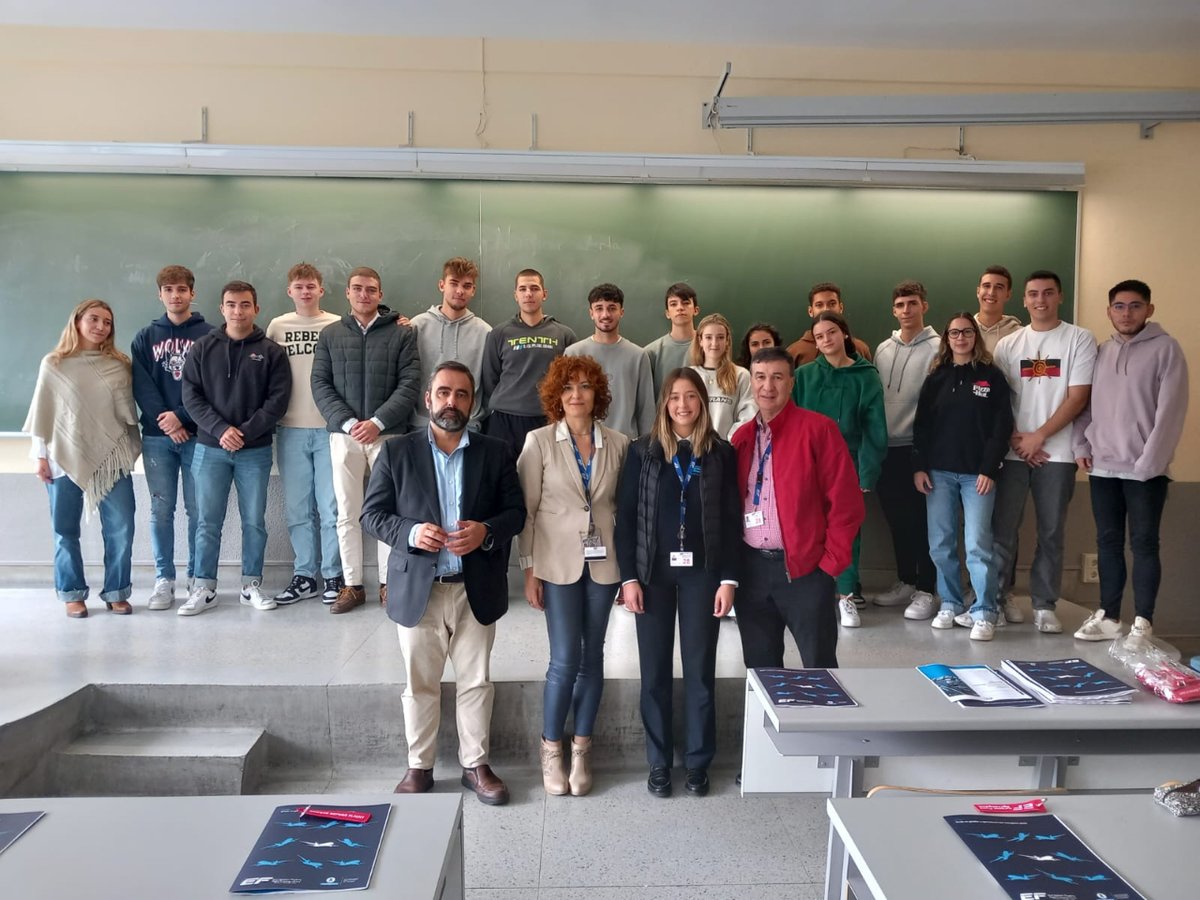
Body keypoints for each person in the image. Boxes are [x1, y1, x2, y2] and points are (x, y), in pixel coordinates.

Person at [361, 362, 526, 805]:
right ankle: (420, 766)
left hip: (475, 587)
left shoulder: (495, 452)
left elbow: (516, 513)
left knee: (476, 681)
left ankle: (476, 765)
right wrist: (412, 533)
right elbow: (372, 515)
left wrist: (486, 532)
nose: (452, 402)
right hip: (420, 588)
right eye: (444, 393)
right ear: (428, 399)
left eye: (462, 394)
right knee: (419, 683)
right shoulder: (396, 452)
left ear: (473, 402)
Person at [615, 368, 741, 799]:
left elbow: (730, 518)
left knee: (701, 672)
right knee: (653, 673)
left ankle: (698, 763)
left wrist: (728, 579)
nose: (682, 405)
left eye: (691, 397)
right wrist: (628, 577)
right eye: (674, 398)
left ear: (703, 403)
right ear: (664, 404)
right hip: (652, 578)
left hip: (703, 577)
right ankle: (658, 762)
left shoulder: (721, 453)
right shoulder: (643, 452)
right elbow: (626, 517)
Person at [517, 355, 630, 796]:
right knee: (565, 659)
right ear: (556, 397)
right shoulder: (539, 442)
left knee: (593, 658)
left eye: (584, 387)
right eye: (567, 388)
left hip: (603, 565)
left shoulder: (619, 443)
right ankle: (551, 750)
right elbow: (526, 511)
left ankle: (582, 749)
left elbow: (621, 508)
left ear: (597, 395)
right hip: (555, 564)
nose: (576, 395)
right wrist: (529, 569)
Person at [731, 347, 864, 670]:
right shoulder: (742, 437)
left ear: (792, 382)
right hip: (752, 573)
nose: (768, 386)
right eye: (760, 377)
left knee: (819, 670)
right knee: (761, 671)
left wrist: (829, 566)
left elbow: (847, 504)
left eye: (777, 377)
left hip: (806, 572)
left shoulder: (818, 430)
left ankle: (820, 723)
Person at [1072, 279, 1189, 641]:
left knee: (1144, 544)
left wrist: (1148, 464)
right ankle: (1109, 617)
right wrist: (1081, 446)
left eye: (1135, 305)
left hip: (1145, 472)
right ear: (1109, 311)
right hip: (1103, 467)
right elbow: (1085, 406)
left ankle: (1142, 623)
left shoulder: (1167, 349)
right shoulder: (1101, 352)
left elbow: (1171, 412)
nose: (1126, 313)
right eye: (1119, 306)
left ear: (1149, 310)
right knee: (1107, 542)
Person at [312, 266, 421, 613]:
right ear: (347, 293)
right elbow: (320, 384)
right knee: (347, 512)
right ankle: (353, 585)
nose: (364, 295)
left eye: (371, 290)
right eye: (357, 289)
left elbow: (410, 383)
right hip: (343, 437)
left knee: (389, 512)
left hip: (388, 436)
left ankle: (390, 584)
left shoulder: (403, 334)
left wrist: (377, 422)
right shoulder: (330, 334)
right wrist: (347, 422)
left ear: (380, 294)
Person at [991, 270, 1096, 634]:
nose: (1040, 300)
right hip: (1012, 452)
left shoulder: (1079, 339)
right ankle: (999, 598)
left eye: (1048, 293)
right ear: (1023, 300)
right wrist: (1019, 440)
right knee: (1003, 531)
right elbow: (998, 401)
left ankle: (1044, 604)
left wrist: (1040, 437)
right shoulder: (1008, 345)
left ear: (1059, 297)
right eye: (1033, 294)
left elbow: (1078, 396)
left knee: (1051, 531)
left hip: (1059, 454)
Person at [180, 280, 291, 616]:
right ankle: (204, 587)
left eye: (245, 304)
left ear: (256, 309)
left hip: (253, 450)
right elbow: (191, 396)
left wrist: (241, 432)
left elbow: (277, 401)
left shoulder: (271, 352)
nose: (237, 311)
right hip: (209, 448)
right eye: (231, 304)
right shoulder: (202, 348)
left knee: (254, 521)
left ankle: (250, 585)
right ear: (222, 309)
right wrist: (220, 430)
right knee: (206, 521)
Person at [25, 299, 140, 619]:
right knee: (64, 529)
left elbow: (126, 413)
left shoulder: (119, 364)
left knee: (122, 527)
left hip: (111, 458)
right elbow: (43, 415)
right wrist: (40, 457)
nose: (101, 326)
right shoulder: (54, 363)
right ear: (77, 321)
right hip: (62, 457)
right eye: (94, 319)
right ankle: (72, 592)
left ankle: (117, 591)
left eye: (107, 322)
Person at [913, 314, 1013, 641]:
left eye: (966, 332)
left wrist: (989, 468)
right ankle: (951, 603)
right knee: (940, 543)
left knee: (977, 544)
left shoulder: (991, 377)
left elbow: (1001, 427)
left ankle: (985, 611)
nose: (960, 338)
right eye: (954, 332)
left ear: (975, 336)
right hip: (938, 473)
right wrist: (920, 466)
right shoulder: (936, 377)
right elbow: (922, 426)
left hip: (977, 476)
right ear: (946, 338)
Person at [792, 312, 886, 628]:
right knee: (806, 530)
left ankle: (846, 597)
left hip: (850, 462)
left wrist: (866, 474)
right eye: (819, 337)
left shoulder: (866, 375)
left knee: (846, 534)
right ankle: (811, 597)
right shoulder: (804, 376)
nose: (826, 340)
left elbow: (875, 428)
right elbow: (792, 424)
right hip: (809, 465)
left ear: (844, 334)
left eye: (831, 333)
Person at [130, 265, 212, 611]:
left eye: (181, 289)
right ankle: (164, 580)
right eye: (168, 290)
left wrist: (182, 416)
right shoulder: (145, 337)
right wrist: (167, 421)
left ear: (192, 293)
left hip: (199, 436)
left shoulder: (210, 335)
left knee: (198, 510)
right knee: (161, 509)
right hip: (156, 437)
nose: (175, 295)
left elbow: (212, 387)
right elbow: (141, 385)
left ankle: (196, 579)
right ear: (159, 295)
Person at [265, 262, 344, 605]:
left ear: (321, 290)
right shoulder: (277, 326)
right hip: (290, 429)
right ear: (290, 291)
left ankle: (332, 575)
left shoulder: (337, 325)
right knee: (298, 510)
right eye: (299, 286)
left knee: (331, 508)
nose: (306, 291)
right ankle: (303, 575)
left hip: (329, 429)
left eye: (311, 286)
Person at [871, 281, 939, 619]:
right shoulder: (883, 349)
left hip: (919, 449)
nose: (906, 310)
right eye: (900, 305)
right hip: (887, 448)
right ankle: (906, 581)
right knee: (897, 521)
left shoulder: (939, 348)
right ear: (893, 310)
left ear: (924, 306)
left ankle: (928, 589)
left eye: (913, 303)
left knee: (925, 523)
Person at [481, 268, 576, 455]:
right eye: (522, 289)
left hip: (548, 420)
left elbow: (571, 382)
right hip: (505, 421)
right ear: (515, 295)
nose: (528, 294)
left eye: (534, 288)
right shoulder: (499, 334)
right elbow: (490, 378)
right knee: (503, 480)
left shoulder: (564, 335)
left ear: (544, 294)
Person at [407, 257, 492, 431]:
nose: (460, 291)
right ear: (441, 285)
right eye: (454, 283)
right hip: (422, 427)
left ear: (473, 290)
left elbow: (490, 385)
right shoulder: (417, 326)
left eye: (466, 286)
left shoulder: (485, 332)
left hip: (468, 428)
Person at [564, 282, 655, 439]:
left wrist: (646, 448)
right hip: (583, 445)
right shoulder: (574, 354)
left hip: (627, 447)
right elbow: (564, 403)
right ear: (591, 313)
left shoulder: (638, 356)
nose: (605, 314)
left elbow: (646, 411)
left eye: (612, 308)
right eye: (599, 308)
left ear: (622, 312)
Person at [688, 313, 756, 438]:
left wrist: (726, 445)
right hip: (693, 450)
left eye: (720, 337)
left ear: (727, 341)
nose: (714, 343)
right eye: (708, 337)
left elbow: (748, 416)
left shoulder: (741, 375)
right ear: (700, 340)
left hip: (727, 450)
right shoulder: (689, 375)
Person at [786, 282, 873, 367]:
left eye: (832, 304)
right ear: (810, 311)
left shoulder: (860, 348)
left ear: (841, 307)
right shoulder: (794, 352)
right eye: (819, 305)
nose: (826, 309)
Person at [644, 282, 700, 397]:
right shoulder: (651, 352)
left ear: (696, 310)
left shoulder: (710, 346)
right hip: (662, 414)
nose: (680, 308)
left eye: (685, 303)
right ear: (667, 313)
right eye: (673, 304)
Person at [974, 265, 1023, 353]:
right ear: (978, 292)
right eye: (986, 286)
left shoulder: (1020, 336)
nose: (991, 292)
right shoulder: (961, 333)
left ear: (1008, 295)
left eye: (999, 287)